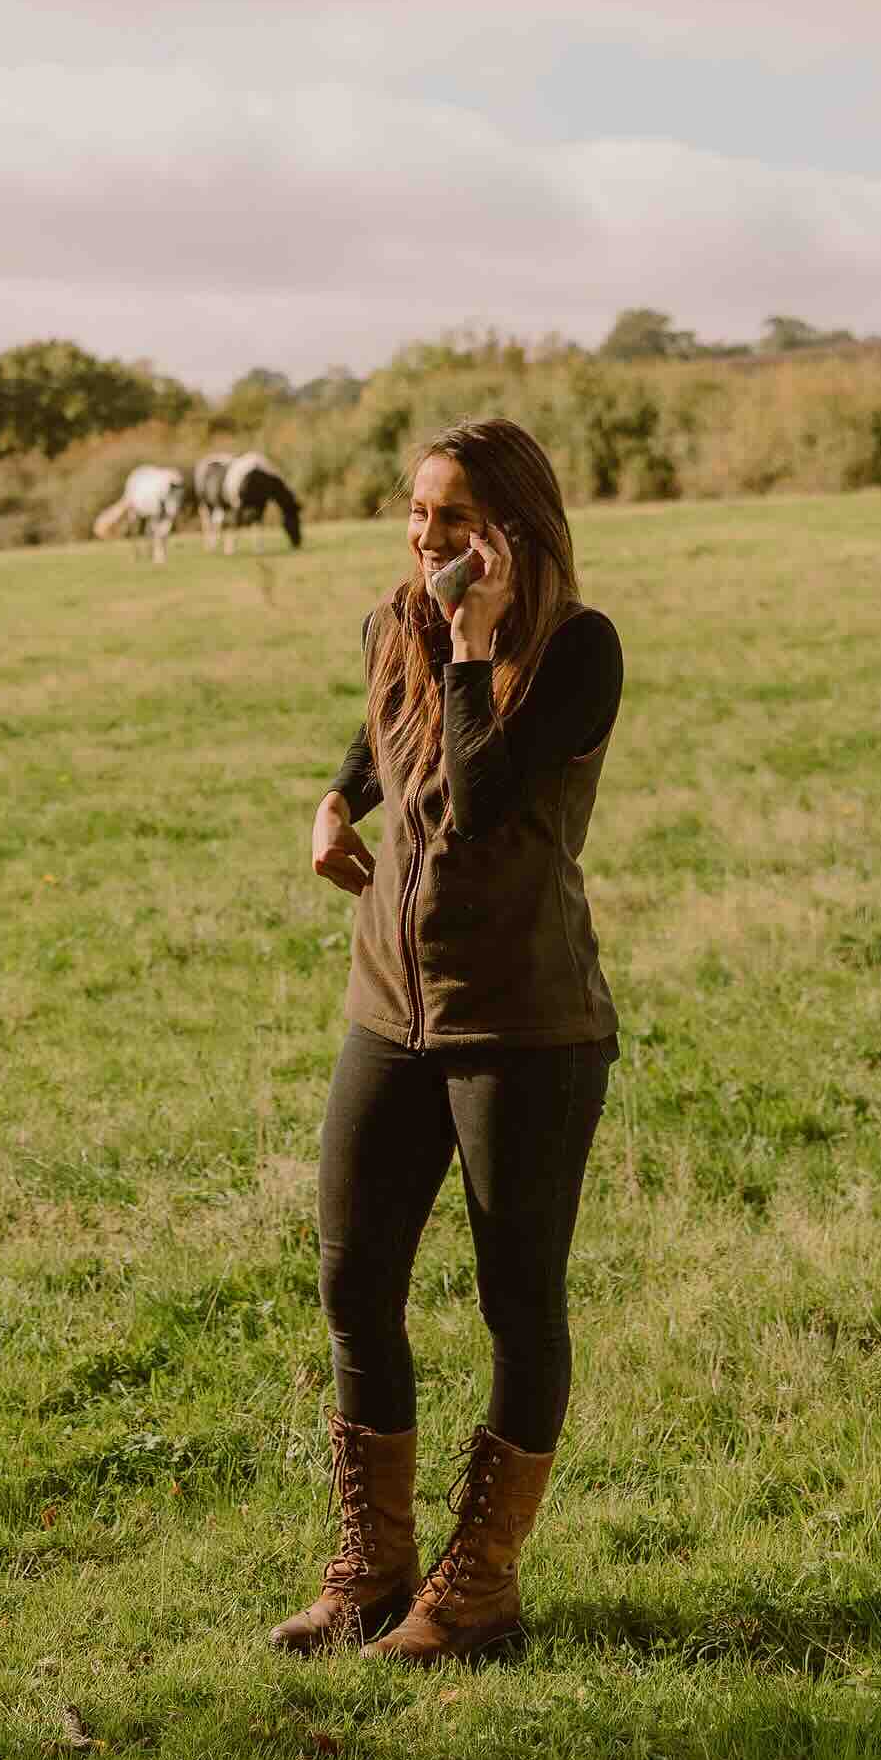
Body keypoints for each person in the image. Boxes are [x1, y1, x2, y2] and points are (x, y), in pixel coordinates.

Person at [271, 417, 624, 1664]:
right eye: (418, 514)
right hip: (390, 1009)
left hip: (524, 1025)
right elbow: (384, 734)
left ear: (515, 531)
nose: (428, 539)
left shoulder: (579, 652)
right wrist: (331, 798)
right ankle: (375, 1571)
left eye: (455, 520)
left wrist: (475, 643)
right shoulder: (397, 621)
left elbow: (476, 800)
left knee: (516, 1302)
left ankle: (480, 1590)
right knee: (353, 1282)